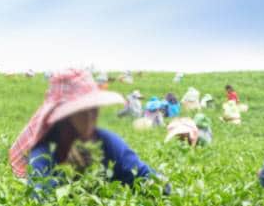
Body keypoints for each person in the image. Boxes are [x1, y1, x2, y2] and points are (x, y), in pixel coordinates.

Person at [9, 68, 163, 196]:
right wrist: (66, 175)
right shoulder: (44, 153)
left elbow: (150, 180)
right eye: (83, 111)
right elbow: (39, 202)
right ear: (64, 116)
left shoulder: (107, 143)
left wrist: (159, 183)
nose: (92, 116)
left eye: (94, 108)